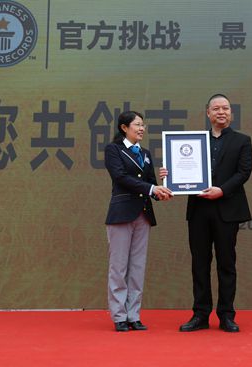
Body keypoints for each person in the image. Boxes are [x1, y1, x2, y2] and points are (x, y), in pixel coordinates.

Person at [161, 94, 252, 332]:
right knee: (199, 263)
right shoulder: (193, 141)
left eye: (226, 108)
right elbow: (182, 171)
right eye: (216, 108)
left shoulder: (242, 140)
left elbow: (243, 172)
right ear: (208, 113)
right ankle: (200, 314)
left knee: (226, 263)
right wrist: (169, 174)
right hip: (199, 209)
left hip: (227, 209)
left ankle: (226, 315)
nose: (221, 112)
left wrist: (221, 190)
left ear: (231, 113)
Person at [104, 110, 173, 332]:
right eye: (137, 125)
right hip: (122, 214)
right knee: (119, 267)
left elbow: (151, 183)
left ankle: (134, 315)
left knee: (137, 267)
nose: (141, 128)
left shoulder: (145, 153)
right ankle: (119, 316)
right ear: (124, 127)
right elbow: (121, 178)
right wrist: (152, 187)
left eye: (143, 125)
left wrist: (162, 186)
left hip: (143, 214)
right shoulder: (113, 150)